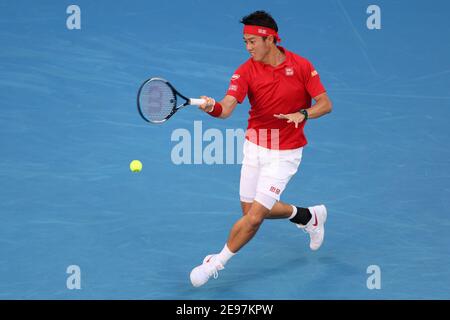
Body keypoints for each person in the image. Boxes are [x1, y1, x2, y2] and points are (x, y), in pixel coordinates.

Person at [190, 10, 333, 287]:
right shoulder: (245, 71)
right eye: (245, 42)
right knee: (250, 212)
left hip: (285, 153)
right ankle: (308, 216)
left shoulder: (302, 66)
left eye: (251, 41)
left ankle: (215, 263)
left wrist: (303, 114)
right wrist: (211, 107)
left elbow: (325, 103)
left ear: (269, 39)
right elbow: (226, 108)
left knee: (254, 219)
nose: (247, 47)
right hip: (254, 147)